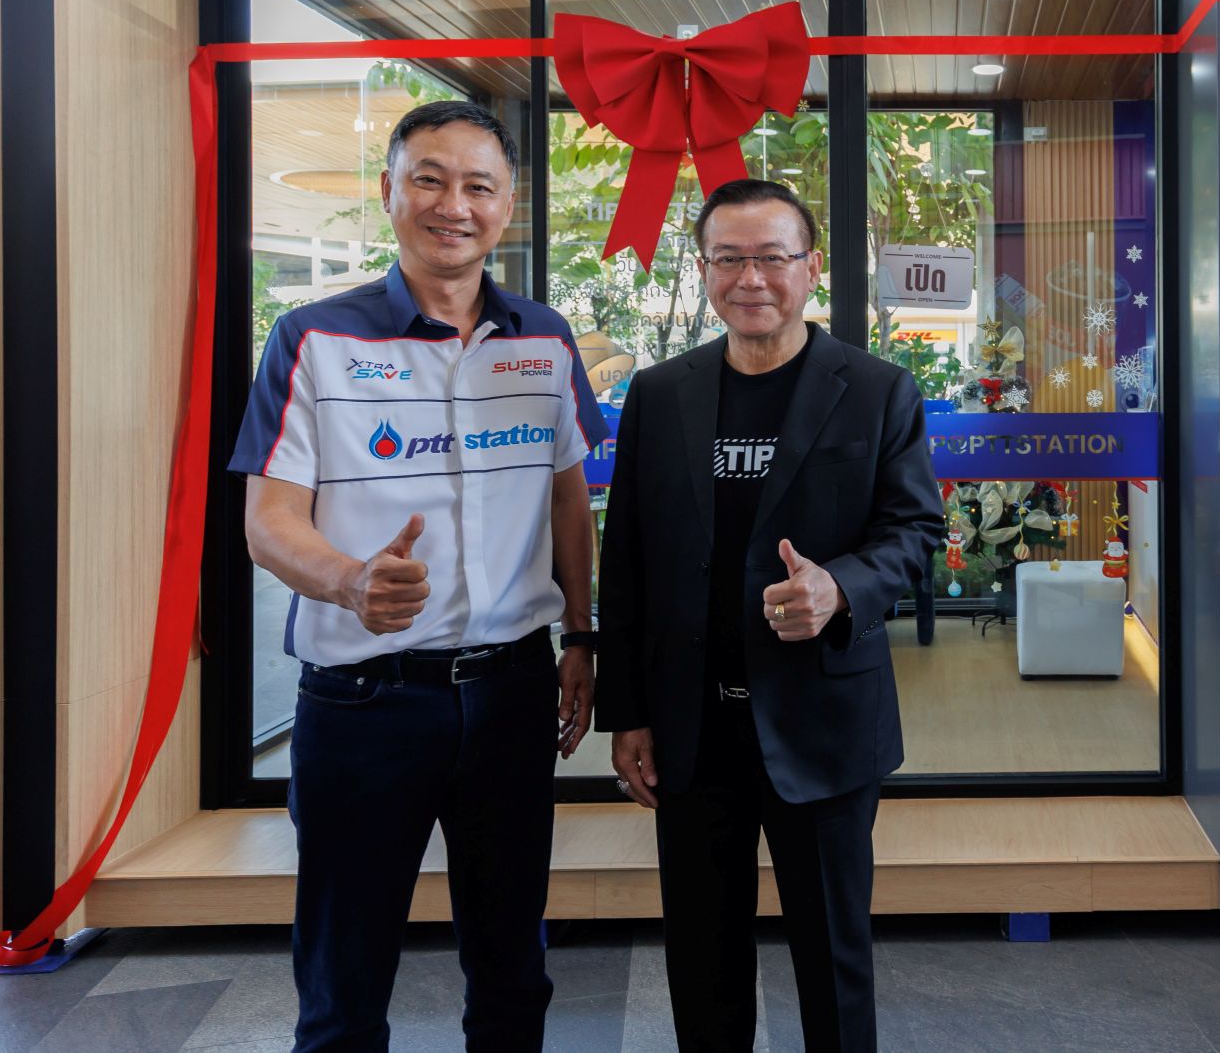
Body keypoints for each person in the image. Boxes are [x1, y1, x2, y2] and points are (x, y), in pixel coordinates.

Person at [231, 100, 607, 1052]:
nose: (454, 205)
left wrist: (580, 634)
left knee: (513, 971)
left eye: (479, 185)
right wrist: (347, 579)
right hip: (363, 704)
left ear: (508, 205)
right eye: (429, 179)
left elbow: (569, 499)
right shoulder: (313, 338)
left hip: (511, 695)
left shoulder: (545, 338)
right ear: (390, 191)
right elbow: (268, 522)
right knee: (343, 985)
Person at [598, 177, 941, 1053]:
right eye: (729, 258)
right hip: (691, 726)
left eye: (772, 257)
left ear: (811, 266)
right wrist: (627, 712)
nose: (750, 277)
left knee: (833, 959)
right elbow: (626, 559)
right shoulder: (659, 393)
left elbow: (914, 531)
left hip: (824, 722)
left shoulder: (876, 389)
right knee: (701, 959)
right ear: (704, 269)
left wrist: (841, 588)